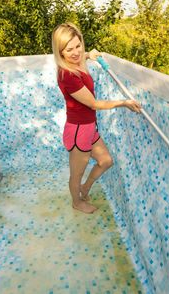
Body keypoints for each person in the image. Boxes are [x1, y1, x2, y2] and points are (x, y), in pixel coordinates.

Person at [52, 23, 142, 214]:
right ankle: (77, 201)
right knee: (77, 174)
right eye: (70, 49)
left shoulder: (76, 63)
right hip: (79, 131)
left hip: (88, 127)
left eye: (78, 46)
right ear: (60, 52)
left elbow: (79, 56)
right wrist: (124, 102)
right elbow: (93, 104)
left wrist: (88, 55)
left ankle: (85, 188)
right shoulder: (67, 74)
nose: (76, 52)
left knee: (106, 161)